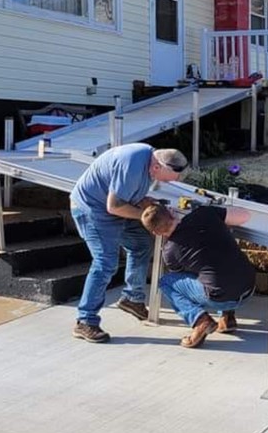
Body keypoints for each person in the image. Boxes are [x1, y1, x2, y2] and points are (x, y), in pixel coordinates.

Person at [69, 145, 188, 343]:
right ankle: (85, 321)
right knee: (105, 263)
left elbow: (127, 194)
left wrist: (145, 203)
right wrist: (147, 217)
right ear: (158, 167)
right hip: (92, 210)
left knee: (140, 244)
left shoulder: (149, 161)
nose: (173, 182)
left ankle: (132, 298)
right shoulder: (132, 164)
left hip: (112, 209)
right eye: (172, 178)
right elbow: (114, 206)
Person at [141, 202, 255, 348]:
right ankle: (227, 318)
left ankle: (199, 320)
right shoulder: (204, 213)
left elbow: (185, 278)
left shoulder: (170, 252)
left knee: (166, 282)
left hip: (221, 297)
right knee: (219, 264)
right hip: (248, 288)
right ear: (171, 212)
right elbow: (244, 216)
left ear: (156, 233)